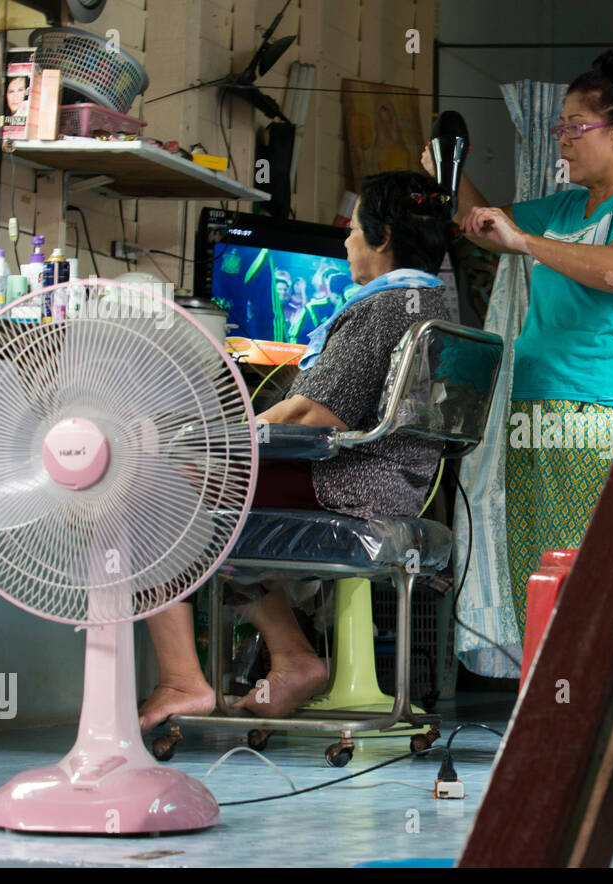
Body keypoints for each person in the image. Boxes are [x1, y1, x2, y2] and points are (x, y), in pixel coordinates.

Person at [139, 170, 451, 731]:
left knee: (151, 487)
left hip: (346, 482)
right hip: (391, 481)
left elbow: (312, 414)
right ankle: (294, 658)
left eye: (354, 231)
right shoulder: (429, 301)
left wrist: (230, 437)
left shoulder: (383, 308)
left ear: (382, 238)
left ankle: (182, 680)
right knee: (209, 498)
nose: (347, 243)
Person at [421, 47, 613, 634]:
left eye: (576, 126)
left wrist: (526, 244)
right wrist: (448, 171)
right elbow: (486, 225)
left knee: (588, 559)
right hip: (531, 405)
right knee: (538, 562)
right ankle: (545, 688)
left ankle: (588, 692)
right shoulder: (562, 206)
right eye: (559, 126)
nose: (562, 139)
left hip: (598, 405)